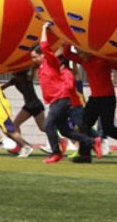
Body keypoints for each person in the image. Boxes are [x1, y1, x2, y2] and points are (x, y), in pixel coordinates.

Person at [33, 21, 98, 163]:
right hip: (56, 100)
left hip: (63, 99)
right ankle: (92, 142)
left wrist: (44, 28)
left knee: (48, 125)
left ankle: (56, 153)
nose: (34, 60)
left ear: (43, 56)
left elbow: (44, 46)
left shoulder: (51, 62)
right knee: (65, 131)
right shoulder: (42, 67)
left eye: (35, 56)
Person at [63, 45, 117, 159]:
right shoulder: (82, 60)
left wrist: (110, 55)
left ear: (88, 50)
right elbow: (67, 54)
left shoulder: (102, 58)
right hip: (94, 99)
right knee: (84, 126)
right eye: (78, 52)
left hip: (108, 98)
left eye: (81, 52)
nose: (79, 55)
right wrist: (68, 42)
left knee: (108, 128)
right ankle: (85, 155)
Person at [7, 68, 47, 140]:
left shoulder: (27, 78)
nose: (13, 74)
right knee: (15, 124)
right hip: (28, 106)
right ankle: (20, 143)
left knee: (42, 128)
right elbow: (2, 88)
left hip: (36, 106)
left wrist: (33, 68)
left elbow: (32, 76)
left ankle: (59, 139)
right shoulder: (14, 80)